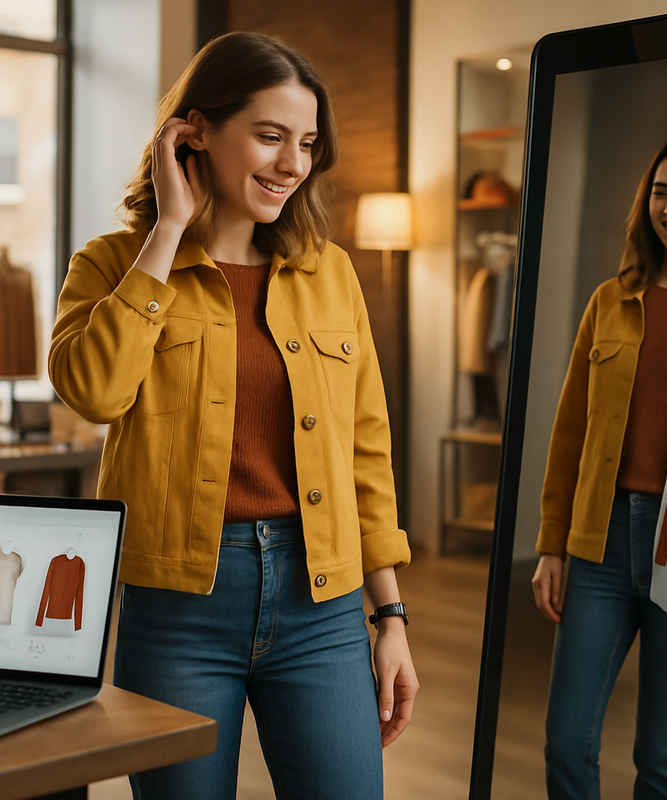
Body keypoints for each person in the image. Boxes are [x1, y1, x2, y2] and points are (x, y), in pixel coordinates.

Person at [49, 31, 418, 800]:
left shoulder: (330, 273)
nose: (292, 164)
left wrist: (392, 617)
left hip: (321, 602)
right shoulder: (111, 265)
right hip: (178, 607)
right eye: (271, 136)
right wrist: (167, 234)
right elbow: (92, 391)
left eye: (308, 143)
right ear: (196, 131)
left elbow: (366, 454)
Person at [531, 136, 667, 799]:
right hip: (599, 543)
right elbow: (569, 429)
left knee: (661, 749)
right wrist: (552, 543)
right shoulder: (611, 300)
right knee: (567, 741)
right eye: (662, 191)